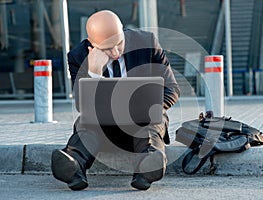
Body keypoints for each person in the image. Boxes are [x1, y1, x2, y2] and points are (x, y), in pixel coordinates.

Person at [51, 10, 180, 191]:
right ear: (92, 45)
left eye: (119, 44)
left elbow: (172, 89)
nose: (115, 52)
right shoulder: (78, 56)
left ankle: (148, 168)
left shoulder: (147, 42)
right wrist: (94, 71)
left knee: (153, 125)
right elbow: (83, 105)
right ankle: (73, 166)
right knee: (85, 124)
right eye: (106, 49)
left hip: (143, 122)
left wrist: (149, 108)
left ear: (122, 30)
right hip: (103, 128)